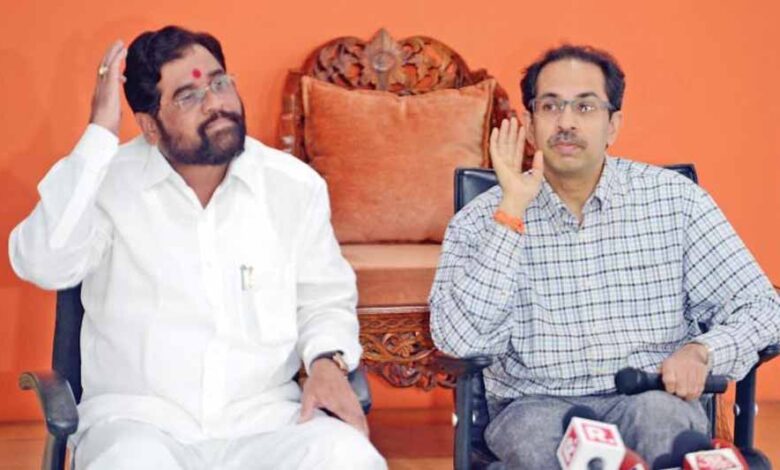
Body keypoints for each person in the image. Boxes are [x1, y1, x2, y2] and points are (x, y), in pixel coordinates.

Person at [9, 25, 386, 470]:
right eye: (188, 96)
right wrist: (98, 135)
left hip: (265, 421)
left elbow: (324, 298)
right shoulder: (106, 183)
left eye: (220, 82)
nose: (215, 104)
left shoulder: (292, 186)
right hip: (140, 427)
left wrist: (326, 361)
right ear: (149, 125)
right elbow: (42, 263)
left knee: (346, 456)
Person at [429, 44, 780, 468]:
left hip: (650, 394)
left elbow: (763, 307)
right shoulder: (481, 220)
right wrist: (511, 213)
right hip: (536, 405)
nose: (566, 122)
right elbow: (459, 341)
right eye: (550, 106)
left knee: (662, 424)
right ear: (530, 124)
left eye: (585, 107)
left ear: (613, 125)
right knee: (542, 445)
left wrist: (703, 351)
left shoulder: (676, 202)